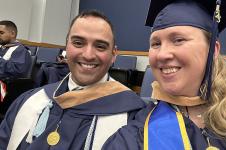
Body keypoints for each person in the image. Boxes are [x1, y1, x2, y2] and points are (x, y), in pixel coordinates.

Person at [103, 0, 226, 149]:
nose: (163, 54)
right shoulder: (134, 137)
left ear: (214, 49)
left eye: (178, 40)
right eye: (155, 43)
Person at [0, 10, 146, 149]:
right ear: (66, 47)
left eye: (100, 46)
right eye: (78, 43)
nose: (88, 55)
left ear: (114, 54)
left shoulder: (134, 115)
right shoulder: (28, 101)